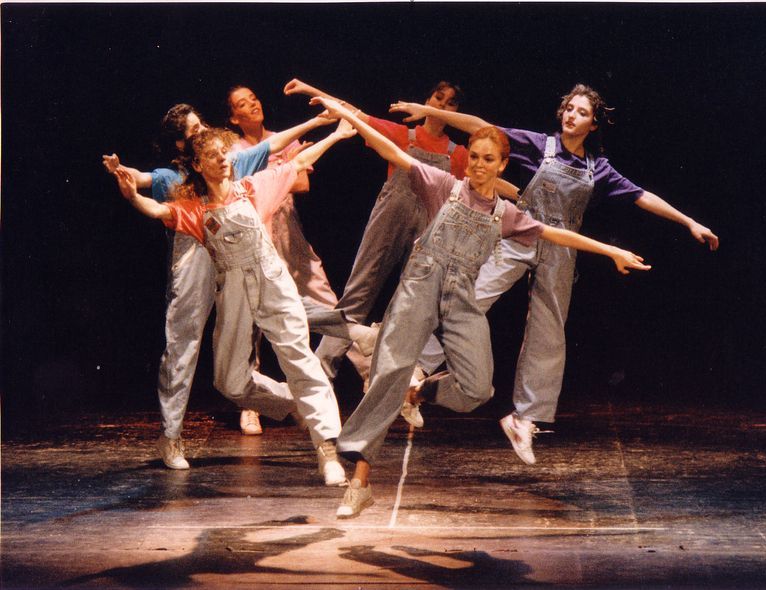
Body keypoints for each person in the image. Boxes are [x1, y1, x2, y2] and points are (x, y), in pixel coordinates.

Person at [312, 97, 650, 518]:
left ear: (502, 165)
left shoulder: (508, 214)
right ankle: (360, 484)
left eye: (488, 158)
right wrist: (346, 113)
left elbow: (555, 234)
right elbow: (391, 150)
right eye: (473, 156)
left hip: (460, 301)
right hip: (418, 291)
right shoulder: (442, 184)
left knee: (477, 389)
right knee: (390, 377)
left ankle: (415, 386)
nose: (478, 164)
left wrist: (609, 250)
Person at [390, 84, 719, 464]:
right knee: (470, 297)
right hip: (520, 234)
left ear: (593, 124)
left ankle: (524, 418)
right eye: (568, 108)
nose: (571, 115)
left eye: (581, 112)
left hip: (561, 249)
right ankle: (416, 366)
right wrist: (428, 110)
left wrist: (688, 221)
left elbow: (641, 195)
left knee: (550, 331)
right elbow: (481, 126)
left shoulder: (598, 170)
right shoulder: (537, 145)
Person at [112, 118, 358, 486]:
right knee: (229, 381)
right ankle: (294, 402)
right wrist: (132, 195)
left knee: (298, 357)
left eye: (225, 154)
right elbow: (159, 210)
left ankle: (326, 449)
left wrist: (336, 135)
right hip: (234, 290)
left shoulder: (253, 187)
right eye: (212, 156)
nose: (223, 160)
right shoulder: (194, 208)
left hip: (272, 282)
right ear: (198, 164)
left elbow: (297, 162)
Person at [284, 79, 517, 388]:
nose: (443, 107)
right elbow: (356, 115)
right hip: (389, 221)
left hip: (428, 231)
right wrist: (311, 90)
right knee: (357, 295)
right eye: (438, 98)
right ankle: (318, 375)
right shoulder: (404, 136)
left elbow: (493, 181)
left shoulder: (460, 154)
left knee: (406, 309)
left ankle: (381, 380)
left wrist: (526, 197)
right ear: (427, 99)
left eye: (451, 104)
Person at [226, 85, 372, 435]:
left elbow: (302, 183)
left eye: (254, 98)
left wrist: (284, 171)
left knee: (326, 302)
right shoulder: (233, 150)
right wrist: (280, 171)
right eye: (243, 104)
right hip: (254, 234)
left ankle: (369, 374)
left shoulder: (282, 139)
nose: (253, 104)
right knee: (252, 324)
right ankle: (252, 406)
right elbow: (235, 184)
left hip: (288, 231)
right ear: (234, 117)